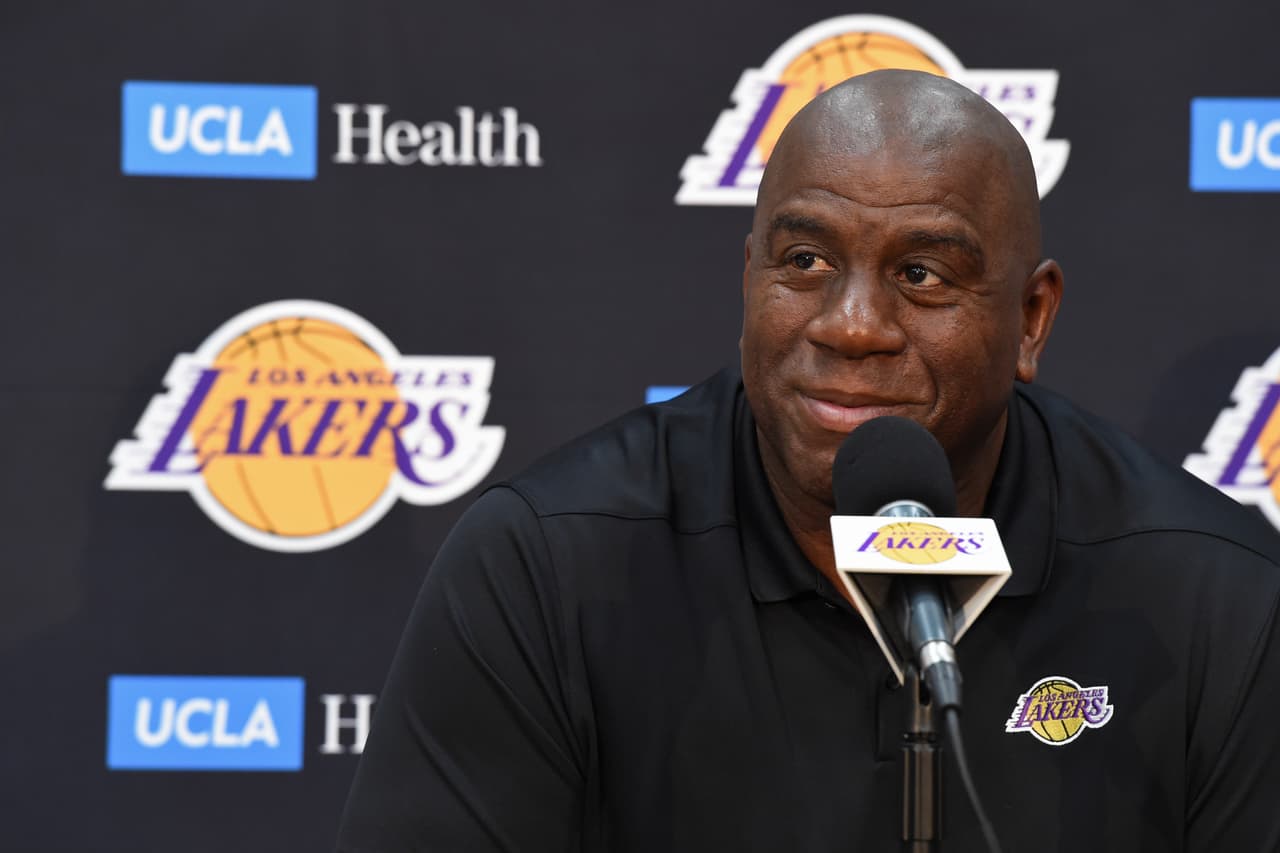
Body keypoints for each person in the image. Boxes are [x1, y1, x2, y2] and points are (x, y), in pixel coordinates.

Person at [336, 70, 1280, 851]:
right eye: (805, 262)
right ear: (748, 274)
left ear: (1030, 320)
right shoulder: (545, 568)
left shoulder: (1213, 594)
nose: (852, 324)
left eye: (922, 275)